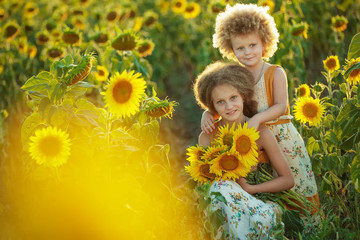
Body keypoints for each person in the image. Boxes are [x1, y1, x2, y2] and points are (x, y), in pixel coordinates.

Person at [201, 3, 319, 209]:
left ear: (264, 43)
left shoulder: (274, 72)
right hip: (253, 141)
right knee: (265, 189)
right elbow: (225, 100)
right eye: (240, 48)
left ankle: (307, 229)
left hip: (280, 137)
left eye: (252, 45)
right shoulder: (235, 75)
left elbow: (281, 106)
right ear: (230, 49)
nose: (247, 52)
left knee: (295, 187)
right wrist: (207, 113)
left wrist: (257, 119)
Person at [193, 61, 294, 239]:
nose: (229, 106)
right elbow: (205, 183)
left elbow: (287, 180)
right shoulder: (207, 136)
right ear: (212, 107)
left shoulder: (260, 132)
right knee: (219, 188)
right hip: (224, 205)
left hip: (259, 199)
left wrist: (250, 189)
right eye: (220, 102)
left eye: (233, 98)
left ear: (243, 96)